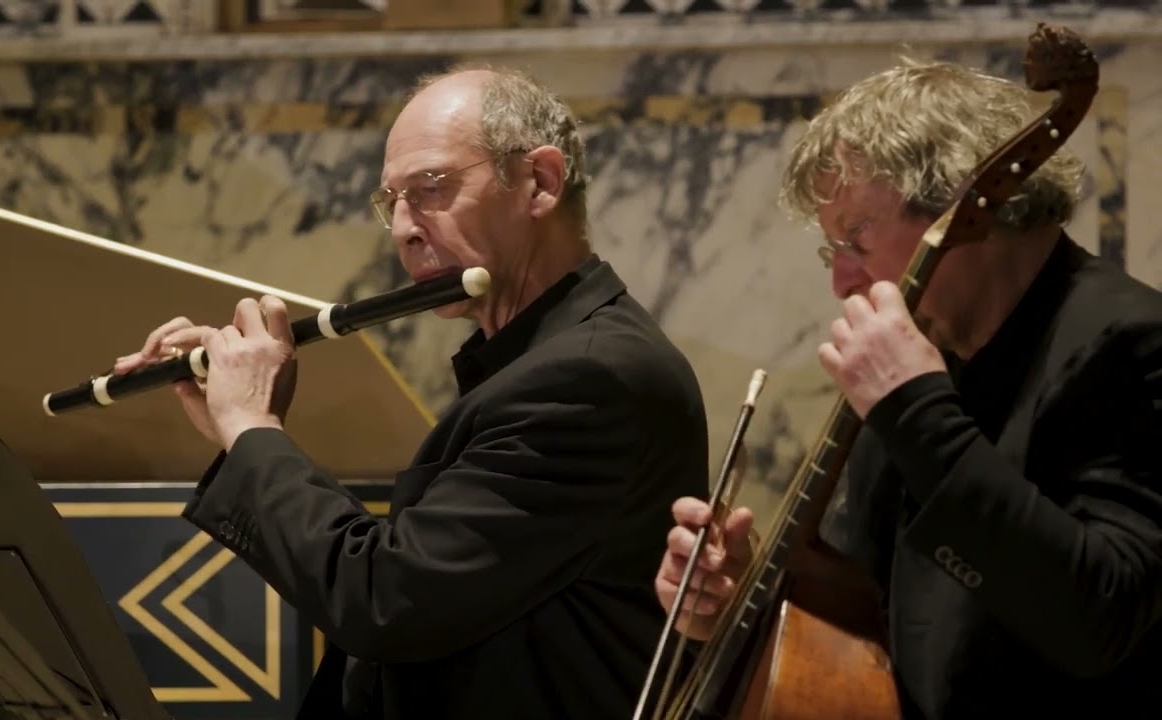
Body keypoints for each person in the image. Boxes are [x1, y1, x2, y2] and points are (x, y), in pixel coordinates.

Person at [115, 64, 710, 719]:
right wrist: (234, 423)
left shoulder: (591, 380)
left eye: (430, 188)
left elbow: (383, 599)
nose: (402, 228)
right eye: (391, 200)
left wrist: (254, 428)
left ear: (539, 181)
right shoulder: (543, 362)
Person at [655, 56, 1162, 718]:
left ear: (962, 209)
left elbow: (1101, 619)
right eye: (831, 249)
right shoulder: (928, 350)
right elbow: (872, 601)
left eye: (857, 239)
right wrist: (742, 596)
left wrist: (917, 412)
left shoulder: (1130, 343)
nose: (842, 282)